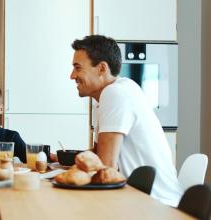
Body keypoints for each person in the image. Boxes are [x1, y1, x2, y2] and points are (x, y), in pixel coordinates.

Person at [69, 35, 182, 206]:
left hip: (156, 206)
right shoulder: (118, 90)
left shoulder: (115, 94)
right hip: (141, 200)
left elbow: (106, 167)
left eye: (78, 68)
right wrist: (61, 160)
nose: (72, 76)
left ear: (101, 68)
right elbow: (98, 155)